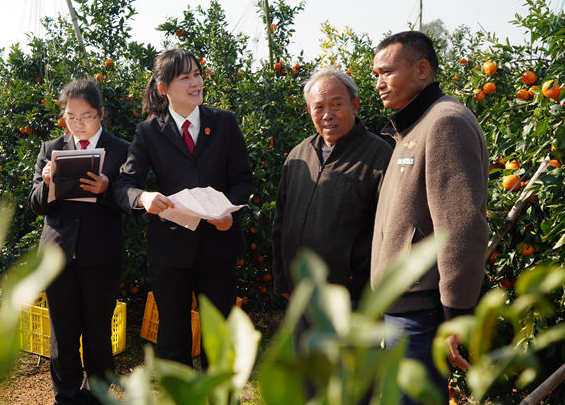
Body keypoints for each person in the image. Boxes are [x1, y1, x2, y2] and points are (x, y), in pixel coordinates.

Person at [113, 48, 252, 367]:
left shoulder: (225, 123)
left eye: (197, 74)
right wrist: (144, 198)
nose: (195, 83)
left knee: (220, 345)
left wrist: (230, 211)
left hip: (218, 247)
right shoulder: (148, 131)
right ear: (163, 89)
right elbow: (124, 185)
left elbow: (242, 179)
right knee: (173, 343)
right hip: (171, 252)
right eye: (185, 77)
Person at [370, 31, 488, 404]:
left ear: (422, 69)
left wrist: (456, 315)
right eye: (375, 74)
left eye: (386, 72)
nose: (378, 83)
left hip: (423, 314)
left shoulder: (444, 123)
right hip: (403, 309)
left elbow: (460, 228)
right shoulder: (410, 129)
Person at [28, 78, 130, 405]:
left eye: (85, 116)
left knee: (98, 334)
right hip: (58, 255)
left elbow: (131, 200)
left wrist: (106, 190)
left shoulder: (122, 150)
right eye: (70, 117)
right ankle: (67, 397)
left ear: (101, 114)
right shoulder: (51, 149)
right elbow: (35, 203)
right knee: (63, 335)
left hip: (101, 256)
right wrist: (48, 185)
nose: (77, 124)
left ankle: (98, 395)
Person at [272, 67, 391, 307]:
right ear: (309, 110)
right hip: (300, 293)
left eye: (336, 105)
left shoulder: (378, 156)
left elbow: (389, 232)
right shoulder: (299, 156)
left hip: (350, 298)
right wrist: (282, 280)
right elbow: (280, 222)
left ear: (354, 105)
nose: (327, 115)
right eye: (319, 107)